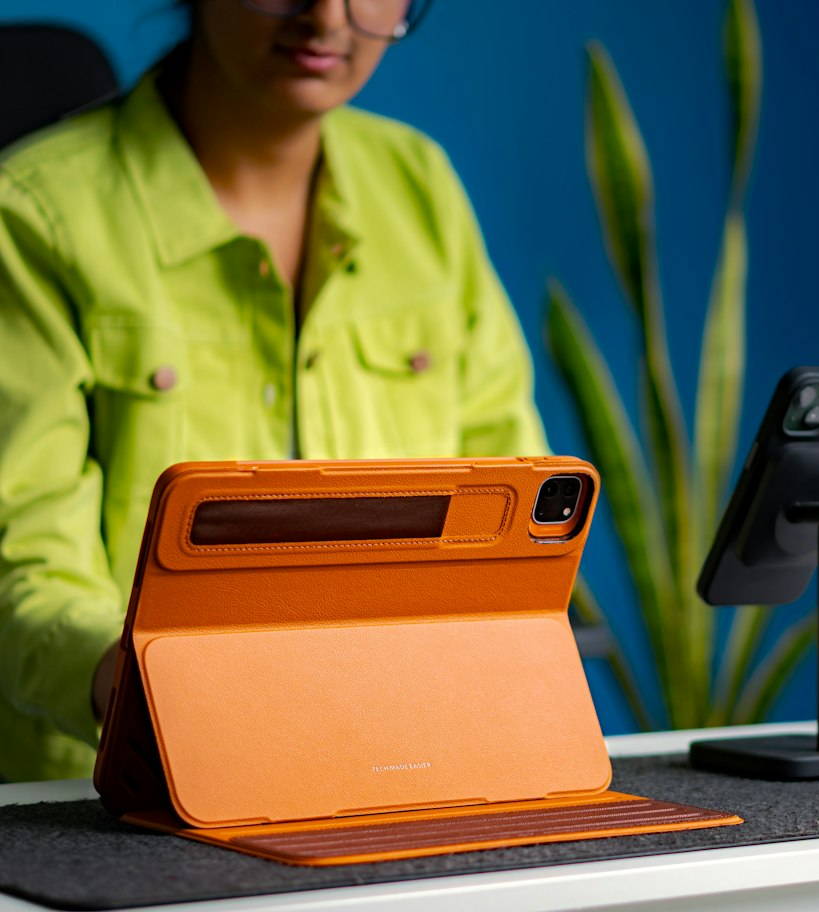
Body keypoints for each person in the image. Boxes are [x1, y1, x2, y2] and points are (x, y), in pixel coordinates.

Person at [0, 0, 547, 781]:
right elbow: (24, 561)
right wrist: (151, 691)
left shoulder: (418, 186)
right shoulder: (35, 216)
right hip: (108, 793)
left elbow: (514, 513)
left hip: (398, 760)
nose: (327, 17)